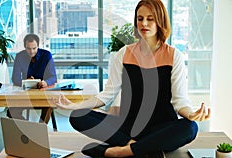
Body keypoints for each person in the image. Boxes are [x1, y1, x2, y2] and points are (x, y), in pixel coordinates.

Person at [53, 0, 211, 157]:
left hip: (162, 127)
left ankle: (123, 151)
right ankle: (143, 147)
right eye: (140, 18)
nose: (144, 23)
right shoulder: (124, 53)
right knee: (77, 116)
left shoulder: (173, 55)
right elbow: (107, 95)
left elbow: (180, 101)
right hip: (129, 127)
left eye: (150, 18)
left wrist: (191, 114)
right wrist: (75, 105)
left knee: (190, 127)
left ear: (160, 21)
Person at [7, 33, 57, 120]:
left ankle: (39, 131)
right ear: (24, 46)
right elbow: (15, 79)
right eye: (28, 48)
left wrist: (46, 82)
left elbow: (53, 77)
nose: (31, 51)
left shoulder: (47, 55)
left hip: (43, 94)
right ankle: (29, 129)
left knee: (48, 105)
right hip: (25, 95)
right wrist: (26, 81)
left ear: (38, 46)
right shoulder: (19, 56)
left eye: (34, 48)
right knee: (11, 112)